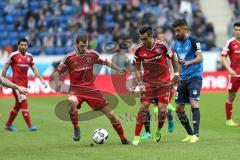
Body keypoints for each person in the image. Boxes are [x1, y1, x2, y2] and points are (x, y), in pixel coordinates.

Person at [52, 34, 131, 144]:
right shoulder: (69, 58)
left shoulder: (92, 54)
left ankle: (123, 139)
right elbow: (57, 73)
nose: (84, 48)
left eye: (85, 46)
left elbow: (106, 62)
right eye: (82, 46)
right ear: (76, 44)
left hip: (90, 90)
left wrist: (118, 69)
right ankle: (76, 128)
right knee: (71, 101)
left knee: (111, 115)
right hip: (76, 90)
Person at [132, 25, 179, 145]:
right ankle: (136, 136)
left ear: (151, 36)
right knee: (143, 108)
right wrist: (140, 82)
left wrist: (177, 73)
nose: (142, 41)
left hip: (163, 82)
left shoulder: (162, 45)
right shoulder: (138, 49)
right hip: (147, 83)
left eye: (144, 39)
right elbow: (137, 68)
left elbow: (173, 57)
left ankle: (158, 131)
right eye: (140, 39)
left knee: (162, 110)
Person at [2, 38, 46, 132]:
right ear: (18, 46)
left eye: (25, 45)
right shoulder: (13, 55)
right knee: (24, 102)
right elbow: (5, 69)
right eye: (21, 45)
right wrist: (2, 83)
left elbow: (34, 70)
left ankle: (8, 125)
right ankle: (30, 125)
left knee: (18, 105)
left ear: (27, 46)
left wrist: (41, 80)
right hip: (16, 86)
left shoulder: (30, 56)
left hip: (25, 85)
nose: (23, 47)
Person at [172, 19, 203, 143]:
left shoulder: (194, 41)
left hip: (195, 77)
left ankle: (196, 134)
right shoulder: (177, 45)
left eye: (178, 30)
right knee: (179, 108)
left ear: (185, 29)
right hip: (183, 79)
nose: (176, 33)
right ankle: (190, 134)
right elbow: (180, 63)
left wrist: (189, 62)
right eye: (175, 31)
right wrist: (177, 75)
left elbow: (200, 58)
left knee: (194, 103)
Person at [221, 22, 240, 127]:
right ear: (234, 30)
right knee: (231, 97)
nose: (238, 32)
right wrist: (229, 69)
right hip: (234, 75)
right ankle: (228, 120)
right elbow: (223, 56)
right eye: (236, 30)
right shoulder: (230, 42)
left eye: (239, 30)